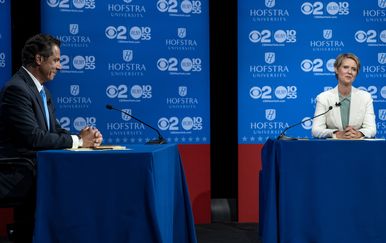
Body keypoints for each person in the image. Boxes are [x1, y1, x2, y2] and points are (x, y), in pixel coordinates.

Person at [0, 33, 103, 242]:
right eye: (56, 60)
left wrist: (85, 138)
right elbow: (34, 138)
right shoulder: (17, 89)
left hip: (37, 168)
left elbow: (54, 130)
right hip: (19, 172)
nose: (60, 66)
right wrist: (79, 142)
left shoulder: (43, 92)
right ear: (39, 59)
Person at [312, 53, 376, 139]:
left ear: (356, 73)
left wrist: (358, 134)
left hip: (358, 147)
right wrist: (336, 134)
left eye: (354, 69)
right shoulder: (323, 98)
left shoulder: (366, 97)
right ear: (336, 69)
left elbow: (371, 129)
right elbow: (316, 130)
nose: (349, 72)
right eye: (345, 67)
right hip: (331, 148)